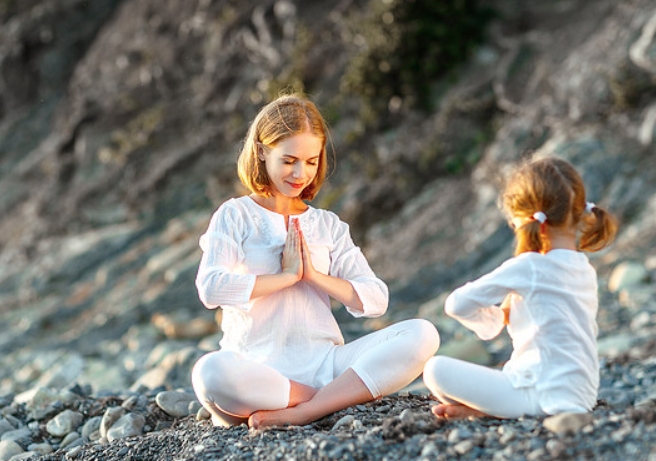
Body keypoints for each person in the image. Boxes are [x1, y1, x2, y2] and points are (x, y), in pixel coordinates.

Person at [191, 93, 441, 429]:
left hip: (326, 364)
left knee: (423, 334)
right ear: (263, 151)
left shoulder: (327, 225)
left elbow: (376, 299)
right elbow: (211, 288)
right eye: (289, 160)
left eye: (311, 161)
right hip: (258, 370)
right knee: (210, 373)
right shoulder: (235, 215)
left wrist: (312, 275)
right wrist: (287, 276)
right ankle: (330, 398)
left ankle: (306, 409)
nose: (300, 174)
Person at [423, 156, 617, 420]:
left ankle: (487, 411)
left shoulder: (530, 266)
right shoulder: (584, 268)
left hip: (538, 395)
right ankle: (487, 409)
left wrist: (496, 318)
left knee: (435, 369)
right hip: (580, 396)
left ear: (530, 222)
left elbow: (456, 304)